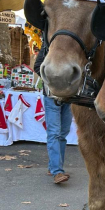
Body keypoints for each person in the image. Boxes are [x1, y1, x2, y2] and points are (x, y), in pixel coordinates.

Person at [34, 48, 72, 184]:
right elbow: (37, 66)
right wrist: (53, 79)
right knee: (55, 133)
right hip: (52, 96)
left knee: (62, 134)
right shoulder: (48, 45)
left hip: (69, 96)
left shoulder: (73, 45)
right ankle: (57, 171)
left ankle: (54, 168)